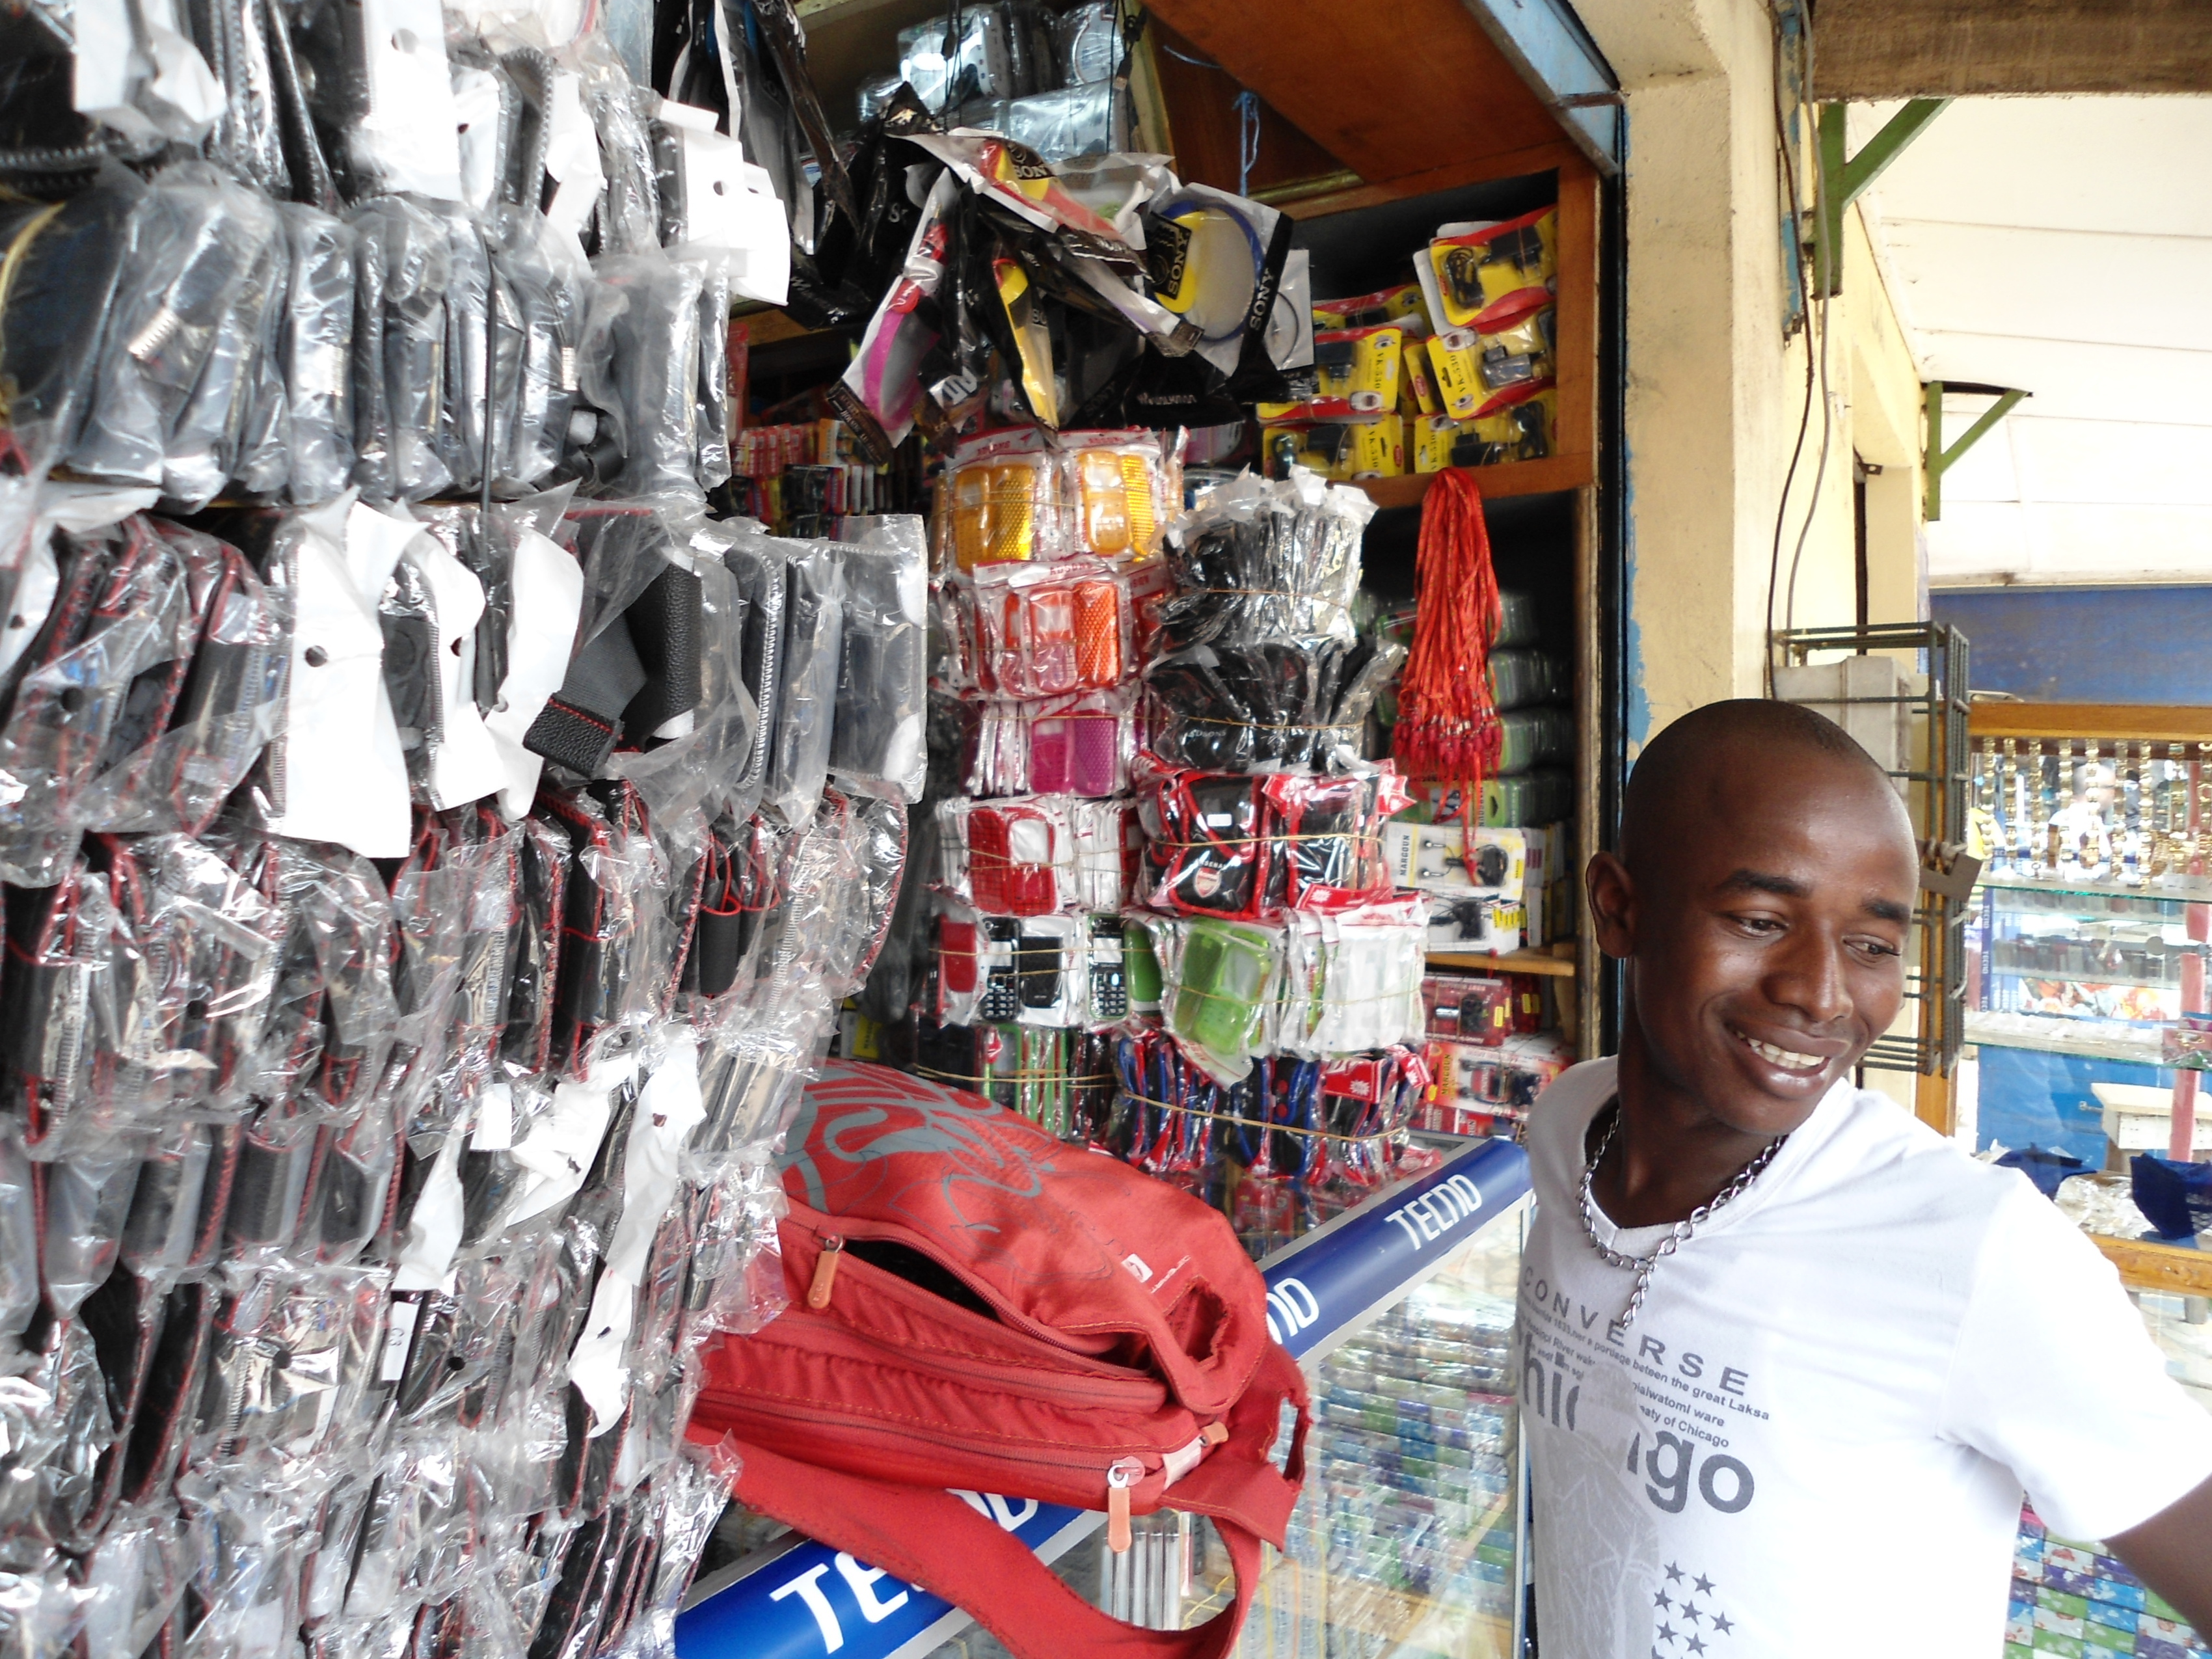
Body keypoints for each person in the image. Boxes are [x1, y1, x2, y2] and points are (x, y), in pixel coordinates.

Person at [1518, 699, 2212, 1657]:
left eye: (1873, 944)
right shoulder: (1564, 1133)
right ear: (1619, 908)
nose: (1822, 991)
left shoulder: (1974, 1253)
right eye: (1761, 920)